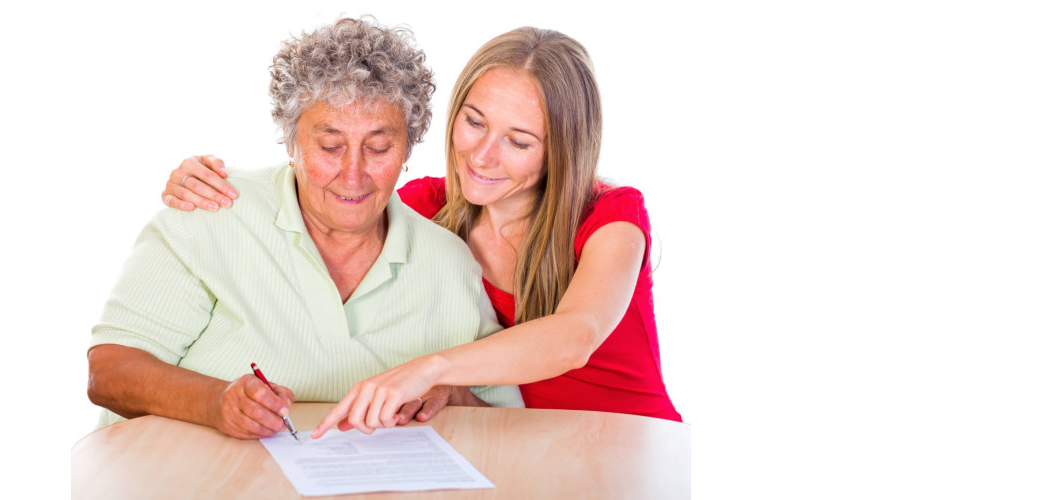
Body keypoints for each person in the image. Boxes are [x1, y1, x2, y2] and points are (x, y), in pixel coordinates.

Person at [157, 26, 682, 436]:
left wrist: (432, 370)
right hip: (517, 441)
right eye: (474, 121)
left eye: (518, 141)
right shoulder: (430, 206)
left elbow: (575, 337)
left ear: (562, 149)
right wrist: (209, 179)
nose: (482, 155)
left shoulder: (612, 217)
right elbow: (332, 188)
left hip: (629, 441)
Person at [87, 17, 522, 440]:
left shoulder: (449, 263)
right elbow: (108, 371)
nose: (353, 175)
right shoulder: (211, 208)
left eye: (378, 147)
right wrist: (216, 401)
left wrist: (453, 391)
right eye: (330, 146)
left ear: (408, 146)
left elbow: (507, 424)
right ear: (291, 140)